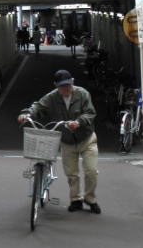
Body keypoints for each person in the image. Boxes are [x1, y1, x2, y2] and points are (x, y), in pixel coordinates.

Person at [17, 69, 100, 214]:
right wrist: (27, 114)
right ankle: (76, 200)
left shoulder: (82, 94)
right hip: (67, 140)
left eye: (68, 85)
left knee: (91, 171)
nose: (65, 89)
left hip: (87, 138)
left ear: (72, 82)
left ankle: (90, 199)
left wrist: (79, 122)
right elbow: (38, 106)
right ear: (56, 86)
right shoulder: (52, 97)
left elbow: (90, 113)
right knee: (72, 174)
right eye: (62, 86)